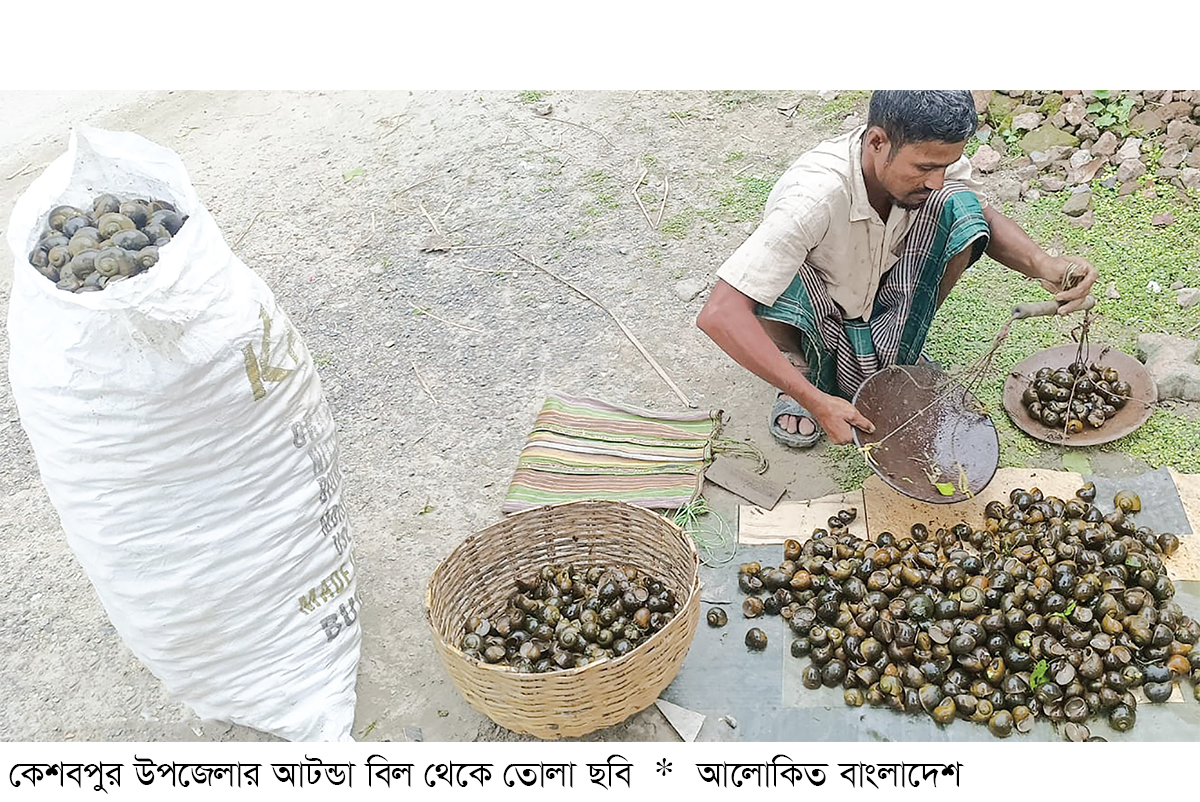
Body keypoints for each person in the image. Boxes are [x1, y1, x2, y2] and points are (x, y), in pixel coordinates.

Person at [696, 90, 1097, 449]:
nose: (937, 180)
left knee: (960, 208)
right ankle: (802, 372)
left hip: (877, 287)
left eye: (947, 165)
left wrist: (1045, 265)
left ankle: (894, 349)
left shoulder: (932, 159)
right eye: (924, 169)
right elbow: (720, 313)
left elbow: (984, 215)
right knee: (770, 275)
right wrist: (813, 400)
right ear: (876, 142)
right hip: (816, 302)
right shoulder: (813, 198)